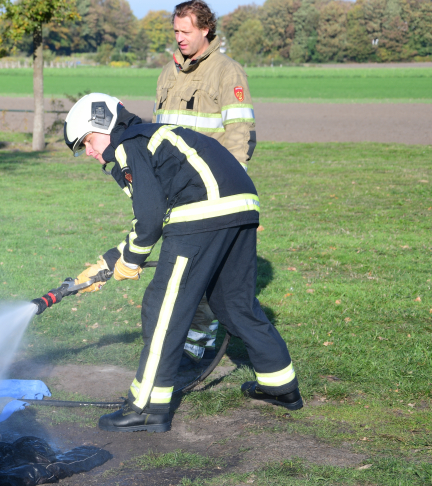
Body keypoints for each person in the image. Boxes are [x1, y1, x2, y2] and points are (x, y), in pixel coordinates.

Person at [64, 93, 301, 433]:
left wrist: (131, 260)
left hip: (201, 212)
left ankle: (146, 407)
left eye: (87, 140)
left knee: (163, 308)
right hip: (240, 206)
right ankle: (280, 383)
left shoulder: (128, 143)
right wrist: (110, 261)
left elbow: (149, 219)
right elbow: (152, 218)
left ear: (103, 124)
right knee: (233, 303)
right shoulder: (151, 137)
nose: (88, 151)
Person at [154, 0, 257, 363]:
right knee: (178, 268)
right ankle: (180, 340)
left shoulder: (228, 72)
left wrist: (228, 185)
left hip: (212, 191)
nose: (179, 38)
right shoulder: (167, 74)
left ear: (205, 30)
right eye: (176, 31)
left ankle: (196, 344)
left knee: (201, 271)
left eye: (185, 31)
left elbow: (239, 132)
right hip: (175, 190)